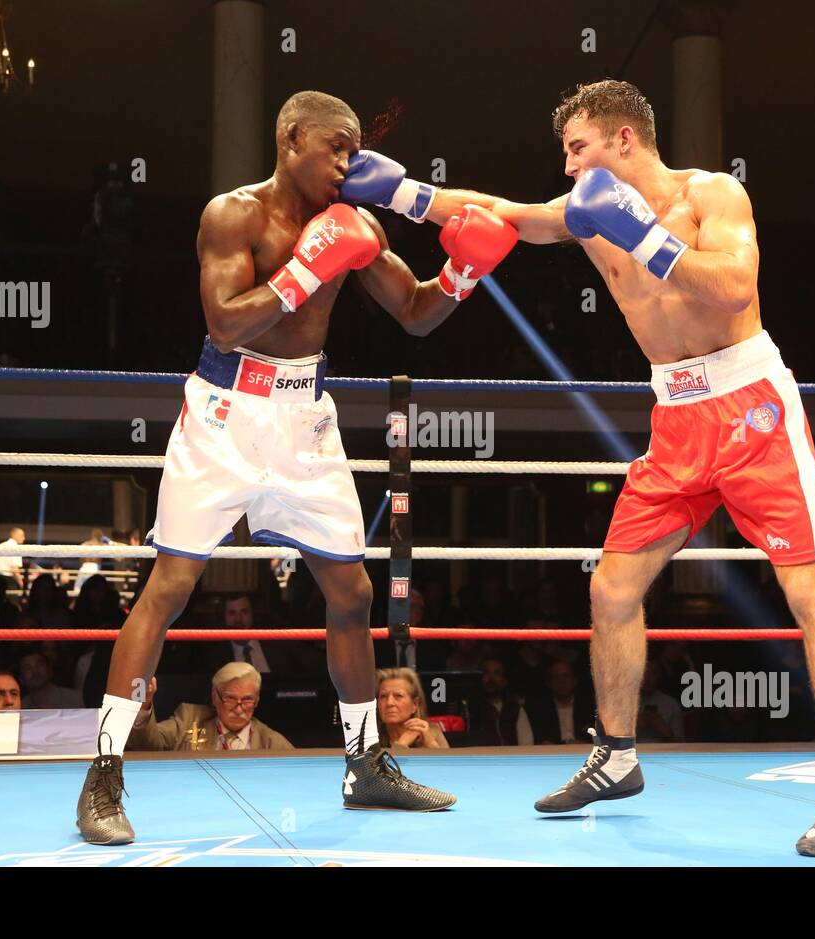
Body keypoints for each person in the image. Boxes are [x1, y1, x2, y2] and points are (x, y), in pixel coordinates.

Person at [359, 79, 815, 855]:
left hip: (752, 406)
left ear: (624, 140)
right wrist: (403, 192)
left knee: (807, 585)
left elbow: (735, 286)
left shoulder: (712, 194)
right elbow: (499, 213)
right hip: (676, 417)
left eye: (578, 149)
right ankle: (618, 755)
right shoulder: (584, 218)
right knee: (612, 586)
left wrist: (647, 240)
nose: (568, 170)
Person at [76, 90, 516, 843]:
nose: (347, 163)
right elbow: (224, 319)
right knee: (171, 588)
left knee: (352, 590)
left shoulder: (359, 224)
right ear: (290, 139)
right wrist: (307, 270)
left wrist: (462, 276)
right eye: (334, 148)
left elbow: (413, 310)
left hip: (306, 418)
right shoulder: (234, 215)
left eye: (355, 150)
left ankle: (364, 763)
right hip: (224, 412)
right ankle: (104, 776)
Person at [128, 663, 293, 752]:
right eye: (230, 698)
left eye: (248, 700)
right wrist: (144, 703)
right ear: (215, 697)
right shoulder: (189, 719)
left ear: (257, 701)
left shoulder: (271, 742)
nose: (239, 708)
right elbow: (146, 746)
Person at [376, 668, 448, 749]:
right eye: (383, 696)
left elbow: (447, 762)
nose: (389, 703)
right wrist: (402, 744)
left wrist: (430, 743)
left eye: (398, 696)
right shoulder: (369, 737)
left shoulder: (433, 732)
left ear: (414, 704)